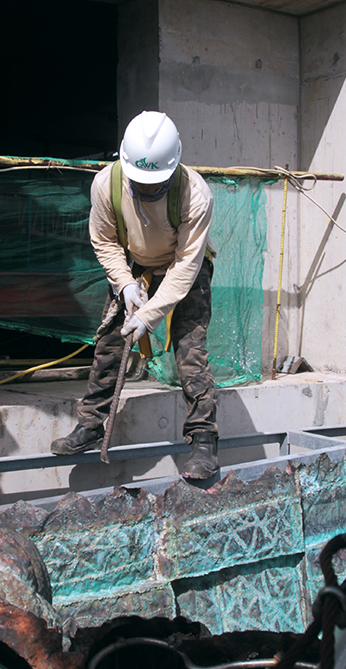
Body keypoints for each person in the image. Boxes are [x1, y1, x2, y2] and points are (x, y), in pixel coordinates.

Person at [50, 111, 220, 480]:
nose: (145, 192)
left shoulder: (196, 195)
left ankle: (204, 440)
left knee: (190, 351)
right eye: (140, 185)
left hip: (180, 269)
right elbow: (105, 240)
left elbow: (186, 268)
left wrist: (150, 315)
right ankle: (92, 424)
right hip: (135, 268)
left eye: (154, 186)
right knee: (111, 342)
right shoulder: (106, 184)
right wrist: (125, 284)